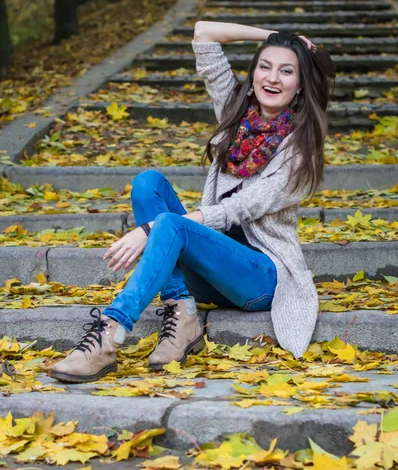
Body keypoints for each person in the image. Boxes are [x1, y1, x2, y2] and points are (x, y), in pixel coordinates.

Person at [50, 21, 335, 384]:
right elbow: (203, 33)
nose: (272, 78)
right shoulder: (236, 114)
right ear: (253, 74)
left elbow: (240, 208)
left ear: (299, 87)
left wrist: (151, 228)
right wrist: (275, 38)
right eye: (265, 65)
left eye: (286, 70)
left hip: (260, 279)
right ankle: (184, 314)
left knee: (170, 223)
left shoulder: (299, 148)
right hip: (207, 269)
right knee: (147, 184)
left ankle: (110, 335)